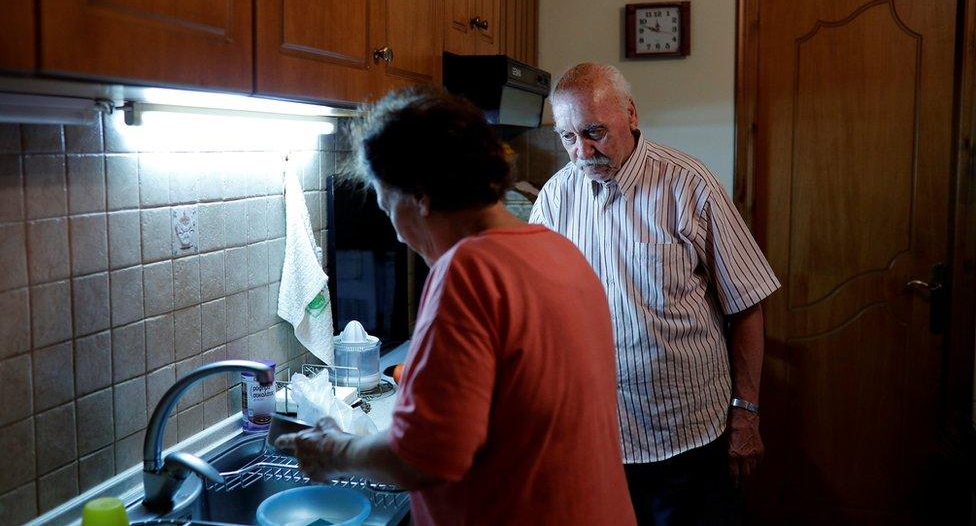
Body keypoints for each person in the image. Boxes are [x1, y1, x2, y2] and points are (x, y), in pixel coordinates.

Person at [276, 86, 636, 526]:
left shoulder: (468, 271)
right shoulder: (560, 252)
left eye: (388, 206)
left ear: (421, 196)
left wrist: (333, 451)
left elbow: (425, 456)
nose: (396, 232)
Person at [529, 62, 781, 524]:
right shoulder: (555, 197)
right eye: (567, 138)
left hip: (686, 436)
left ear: (631, 115)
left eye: (594, 132)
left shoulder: (689, 185)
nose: (582, 152)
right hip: (594, 439)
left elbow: (747, 303)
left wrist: (746, 413)